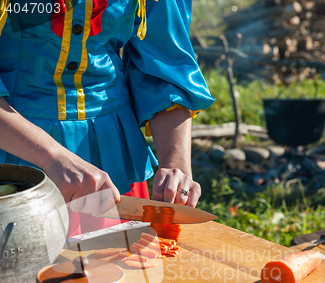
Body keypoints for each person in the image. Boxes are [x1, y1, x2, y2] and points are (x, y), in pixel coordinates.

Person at [0, 0, 214, 237]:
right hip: (12, 148)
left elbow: (166, 64)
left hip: (115, 162)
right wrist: (52, 156)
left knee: (124, 268)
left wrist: (175, 166)